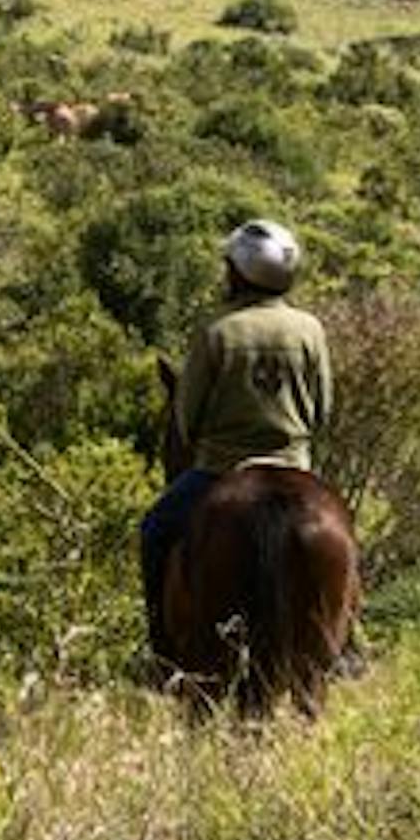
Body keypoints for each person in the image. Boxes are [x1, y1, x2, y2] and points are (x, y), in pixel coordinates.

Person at [138, 218, 333, 664]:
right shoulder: (310, 329)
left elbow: (186, 418)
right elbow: (323, 411)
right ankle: (347, 642)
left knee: (154, 530)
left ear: (240, 272)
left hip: (218, 470)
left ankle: (161, 650)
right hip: (294, 463)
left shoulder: (217, 331)